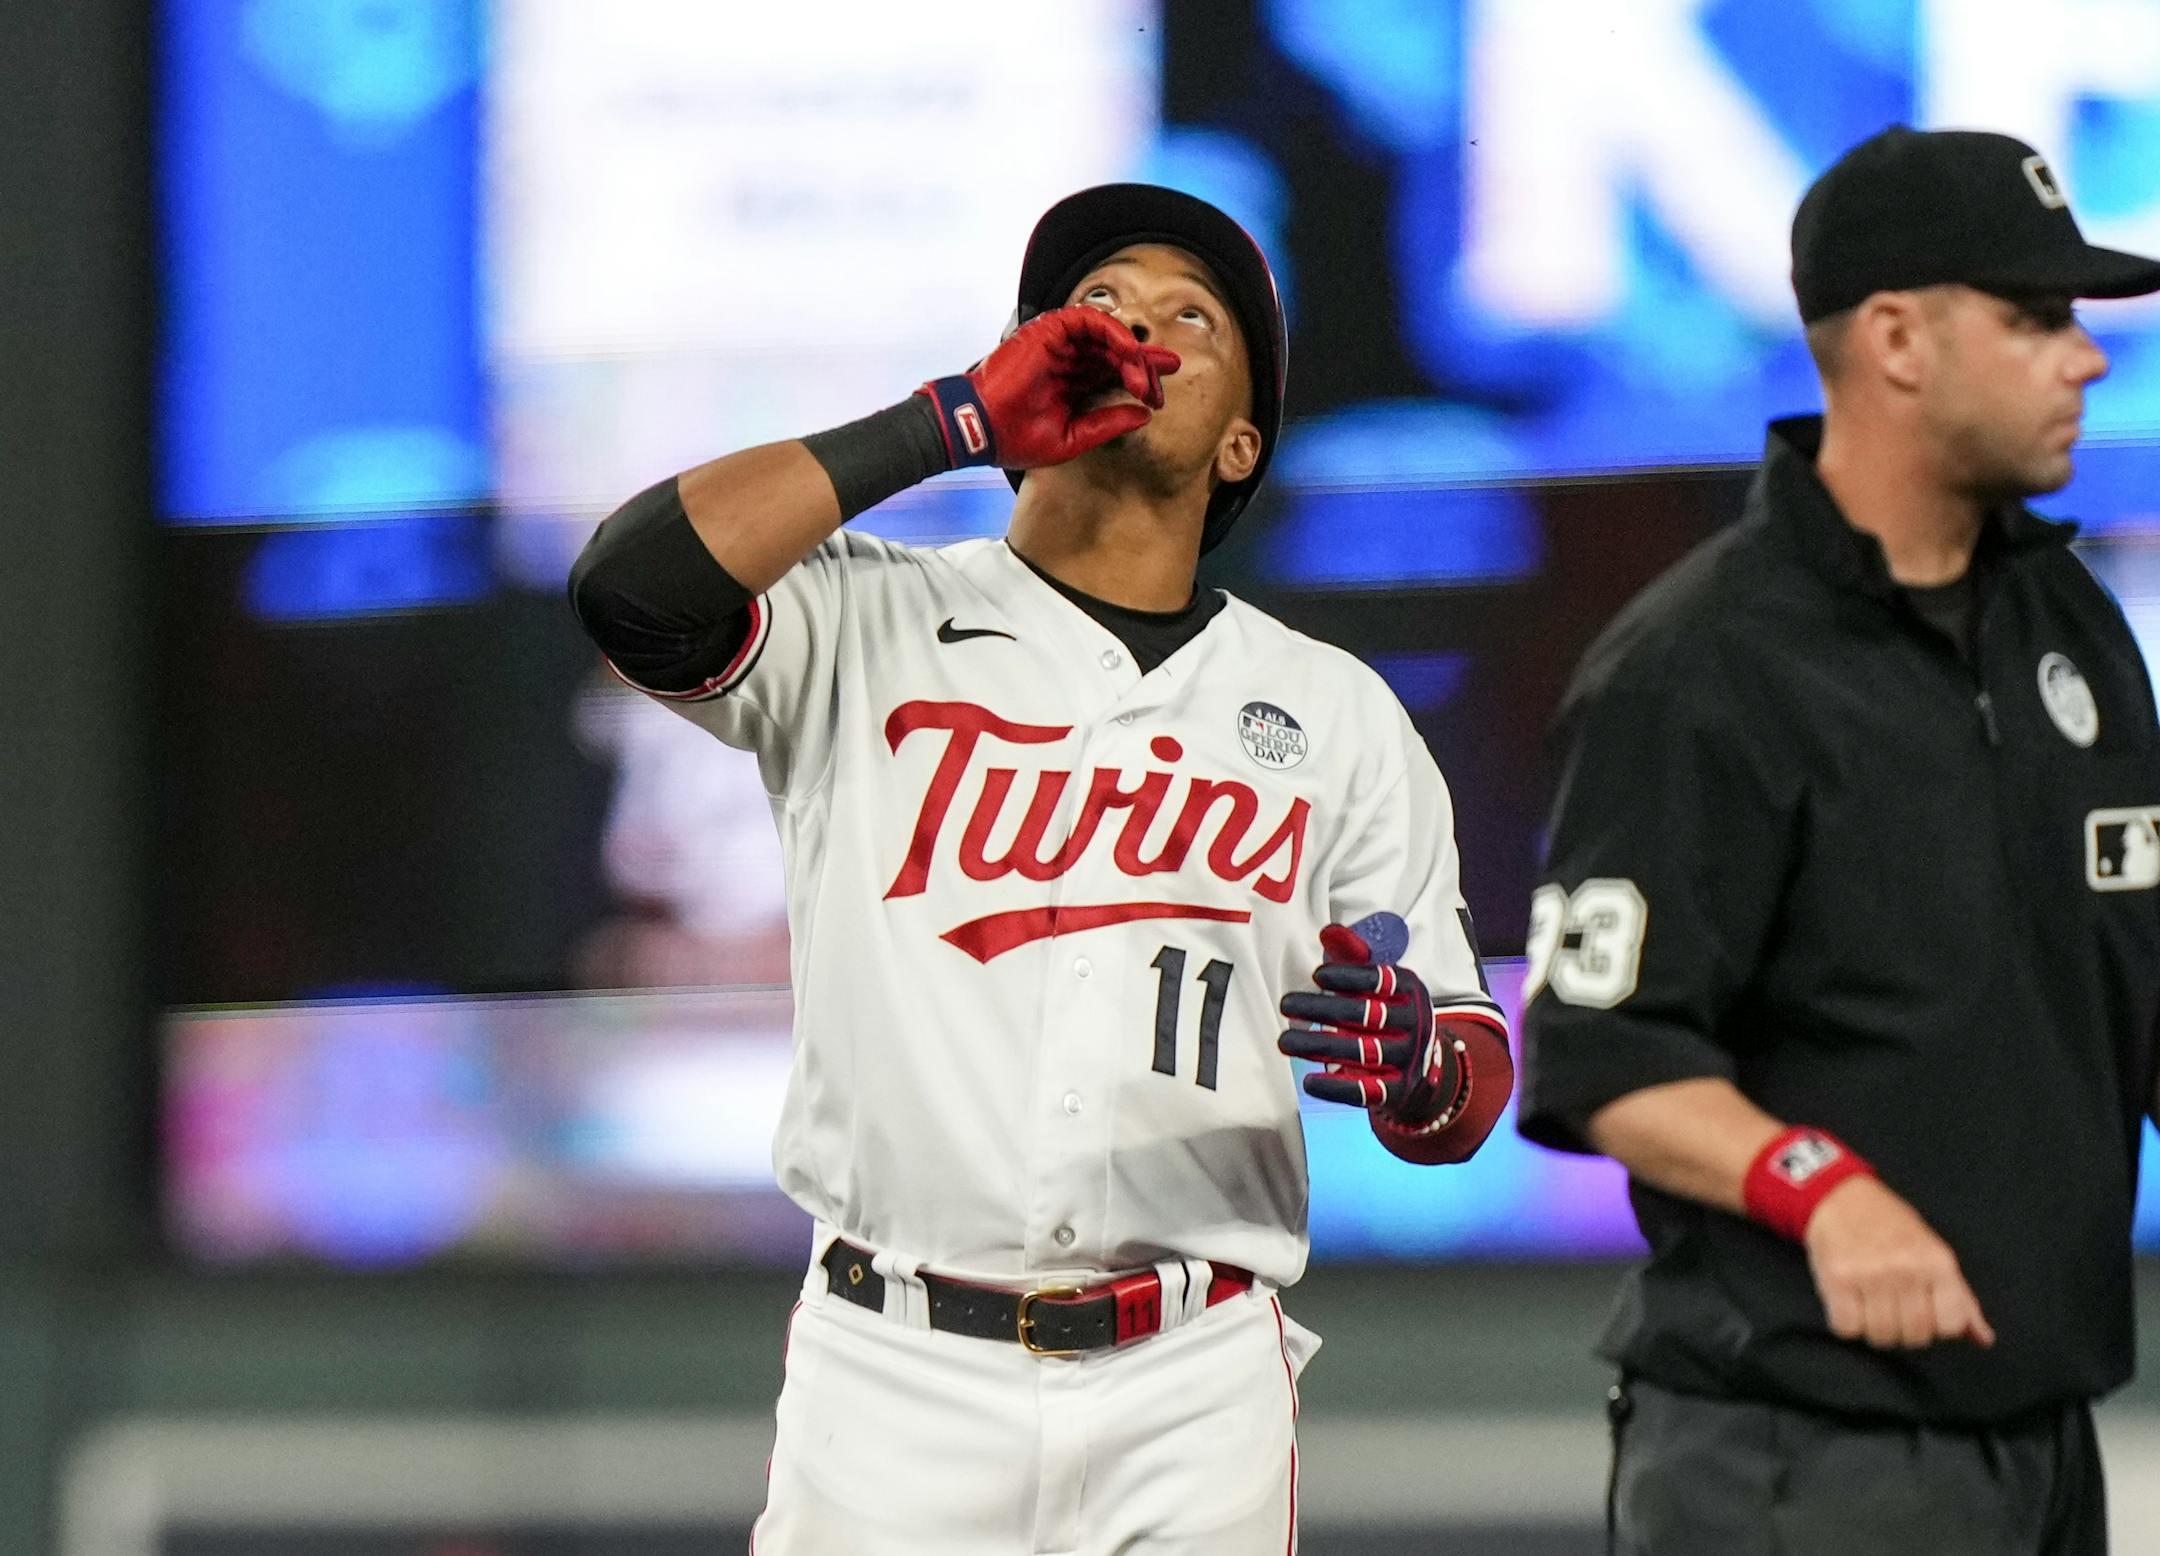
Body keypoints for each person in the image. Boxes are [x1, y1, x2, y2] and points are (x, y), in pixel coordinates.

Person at [567, 183, 1514, 1555]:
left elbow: (1468, 1071)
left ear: (1241, 438)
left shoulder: (1332, 708)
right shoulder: (868, 612)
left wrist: (1422, 1067)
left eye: (1189, 316)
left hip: (1192, 1383)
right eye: (1095, 308)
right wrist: (944, 421)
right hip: (892, 1369)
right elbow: (630, 589)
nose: (1135, 329)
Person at [1518, 125, 2160, 1555]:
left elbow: (2138, 988)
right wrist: (1826, 1191)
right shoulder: (1701, 667)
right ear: (1897, 340)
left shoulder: (2075, 628)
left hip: (2044, 1433)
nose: (2088, 357)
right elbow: (1605, 1053)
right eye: (2037, 317)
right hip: (1796, 1454)